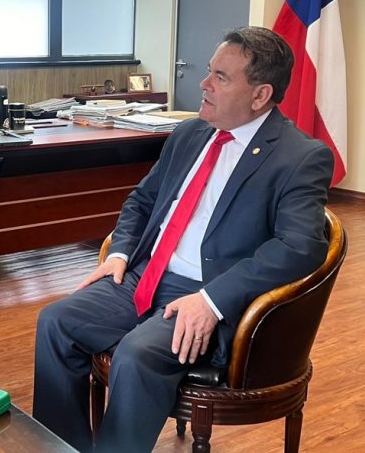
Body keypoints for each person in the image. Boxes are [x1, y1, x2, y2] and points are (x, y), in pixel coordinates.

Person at [32, 26, 334, 452]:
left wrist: (212, 300)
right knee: (56, 322)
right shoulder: (190, 134)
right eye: (209, 71)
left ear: (260, 95)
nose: (203, 84)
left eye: (220, 77)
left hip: (207, 294)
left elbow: (300, 246)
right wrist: (120, 253)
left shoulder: (299, 157)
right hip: (144, 276)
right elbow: (142, 200)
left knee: (137, 354)